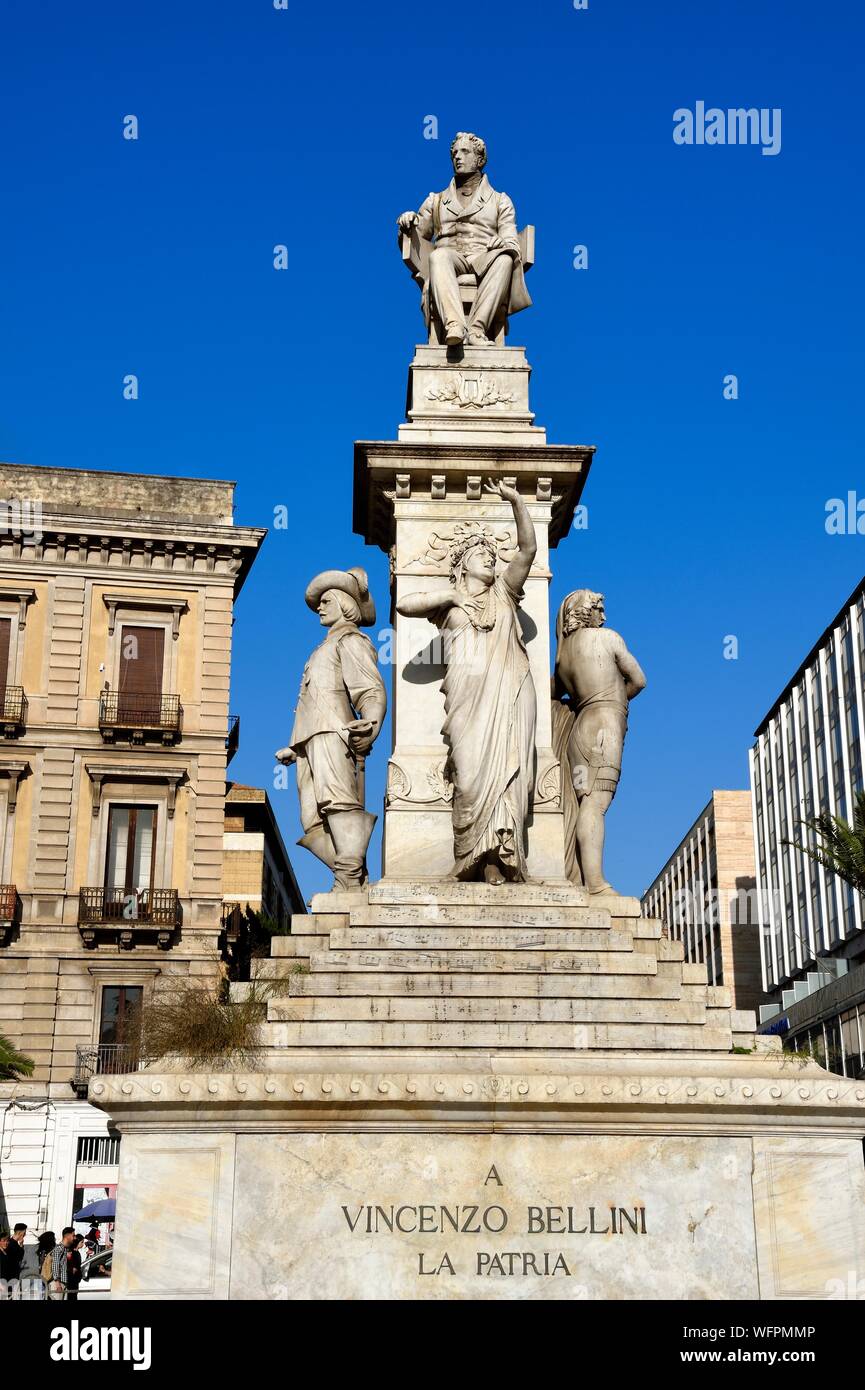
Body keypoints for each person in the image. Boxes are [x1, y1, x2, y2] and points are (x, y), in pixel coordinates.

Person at [396, 479, 537, 882]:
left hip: (509, 691)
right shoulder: (449, 602)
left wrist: (516, 500)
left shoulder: (506, 594)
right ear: (462, 565)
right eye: (481, 554)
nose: (490, 559)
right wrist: (451, 598)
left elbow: (528, 549)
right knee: (469, 771)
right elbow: (406, 604)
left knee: (509, 770)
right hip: (466, 697)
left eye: (492, 555)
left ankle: (499, 857)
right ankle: (471, 853)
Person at [276, 567, 386, 892]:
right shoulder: (322, 648)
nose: (320, 608)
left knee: (339, 804)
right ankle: (352, 874)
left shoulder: (352, 642)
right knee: (313, 819)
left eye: (325, 601)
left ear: (343, 604)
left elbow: (370, 689)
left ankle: (348, 877)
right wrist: (294, 747)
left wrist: (372, 722)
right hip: (308, 742)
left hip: (334, 734)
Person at [397, 132, 531, 346]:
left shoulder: (500, 200)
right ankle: (454, 325)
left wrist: (503, 244)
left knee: (505, 259)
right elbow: (417, 236)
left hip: (484, 258)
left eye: (465, 152)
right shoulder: (436, 200)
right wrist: (408, 223)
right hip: (451, 258)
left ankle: (477, 330)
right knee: (439, 256)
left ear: (480, 160)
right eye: (454, 153)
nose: (457, 157)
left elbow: (511, 240)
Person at [552, 590, 646, 893]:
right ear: (584, 612)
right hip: (605, 726)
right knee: (596, 804)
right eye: (599, 609)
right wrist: (615, 698)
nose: (603, 617)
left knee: (583, 802)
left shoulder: (563, 655)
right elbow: (639, 680)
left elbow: (553, 692)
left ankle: (582, 876)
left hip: (579, 729)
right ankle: (594, 883)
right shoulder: (608, 638)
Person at [47, 1227, 76, 1300]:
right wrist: (58, 1284)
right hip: (57, 1284)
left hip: (63, 1283)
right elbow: (55, 1266)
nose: (74, 1238)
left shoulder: (65, 1249)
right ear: (67, 1236)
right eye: (73, 1235)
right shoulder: (59, 1249)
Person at [65, 1234, 84, 1301]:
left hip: (74, 1280)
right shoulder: (72, 1252)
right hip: (72, 1280)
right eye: (82, 1242)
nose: (83, 1244)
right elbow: (70, 1266)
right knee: (72, 1296)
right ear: (77, 1242)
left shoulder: (76, 1252)